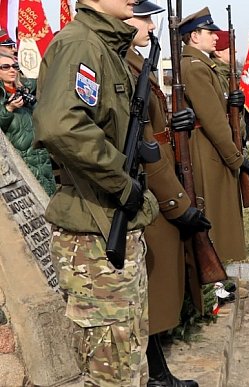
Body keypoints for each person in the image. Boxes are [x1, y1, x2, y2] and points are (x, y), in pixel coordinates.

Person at [33, 0, 159, 384]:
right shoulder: (81, 44)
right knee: (112, 371)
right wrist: (122, 182)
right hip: (94, 234)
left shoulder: (104, 46)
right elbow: (60, 125)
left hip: (108, 225)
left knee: (129, 361)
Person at [125, 2, 208, 386]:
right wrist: (178, 203)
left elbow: (152, 124)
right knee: (151, 285)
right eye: (142, 17)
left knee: (154, 285)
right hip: (145, 186)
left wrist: (174, 124)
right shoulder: (120, 63)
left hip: (155, 179)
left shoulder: (134, 60)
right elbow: (139, 138)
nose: (151, 23)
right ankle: (156, 375)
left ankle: (158, 371)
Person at [179, 7, 248, 262]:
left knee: (220, 216)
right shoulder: (196, 67)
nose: (216, 37)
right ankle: (214, 286)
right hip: (208, 151)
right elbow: (214, 121)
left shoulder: (202, 65)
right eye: (210, 32)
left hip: (213, 149)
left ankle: (219, 279)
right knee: (214, 217)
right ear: (194, 36)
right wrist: (236, 158)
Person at [0, 54, 56, 195]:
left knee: (49, 198)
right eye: (5, 67)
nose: (12, 70)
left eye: (15, 66)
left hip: (40, 155)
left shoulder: (27, 89)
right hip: (17, 160)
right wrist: (9, 109)